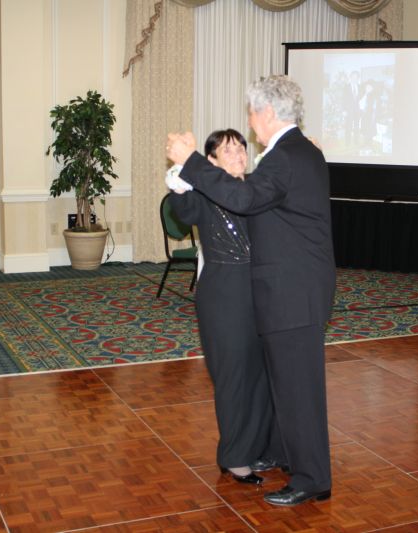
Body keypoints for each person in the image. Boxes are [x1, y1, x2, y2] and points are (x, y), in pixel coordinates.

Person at [166, 75, 336, 507]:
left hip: (292, 293)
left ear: (268, 113)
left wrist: (191, 161)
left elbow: (243, 199)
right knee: (287, 387)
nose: (250, 122)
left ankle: (312, 479)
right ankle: (286, 456)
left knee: (299, 392)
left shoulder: (285, 157)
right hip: (293, 290)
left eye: (252, 113)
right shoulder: (303, 151)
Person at [167, 129, 273, 486]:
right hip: (224, 296)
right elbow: (183, 208)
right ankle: (234, 458)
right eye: (228, 150)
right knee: (233, 376)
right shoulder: (204, 193)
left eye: (241, 147)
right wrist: (181, 170)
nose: (239, 154)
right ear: (210, 161)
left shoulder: (256, 189)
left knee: (261, 374)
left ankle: (256, 447)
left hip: (262, 292)